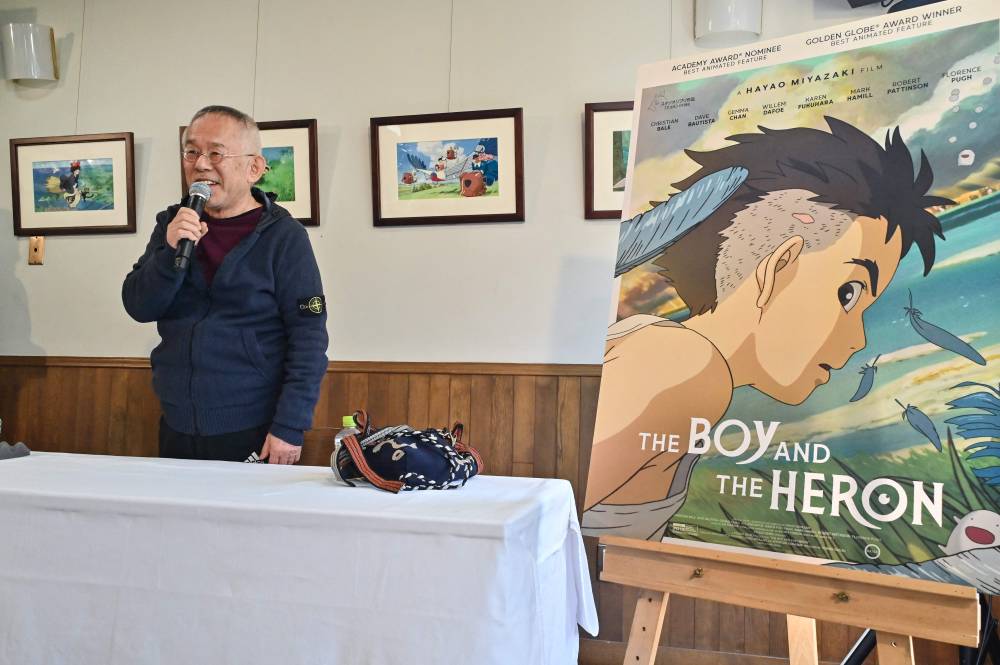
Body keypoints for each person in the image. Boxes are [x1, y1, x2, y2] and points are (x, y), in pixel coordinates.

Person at [582, 117, 951, 539]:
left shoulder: (666, 349)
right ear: (778, 268)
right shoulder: (687, 365)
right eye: (848, 294)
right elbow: (553, 518)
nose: (858, 340)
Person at [122, 105, 328, 465]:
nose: (201, 165)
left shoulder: (284, 236)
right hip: (177, 423)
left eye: (216, 153)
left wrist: (290, 426)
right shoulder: (172, 224)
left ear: (254, 168)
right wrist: (169, 252)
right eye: (191, 152)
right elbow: (139, 305)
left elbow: (308, 337)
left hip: (255, 428)